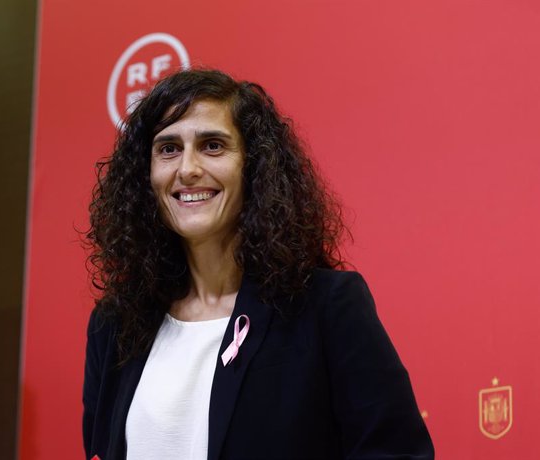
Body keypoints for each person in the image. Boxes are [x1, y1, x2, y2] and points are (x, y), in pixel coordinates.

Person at [83, 69, 434, 460]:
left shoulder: (325, 306)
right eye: (168, 149)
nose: (187, 169)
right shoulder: (114, 325)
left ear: (254, 166)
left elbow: (396, 452)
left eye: (212, 145)